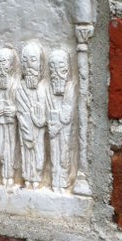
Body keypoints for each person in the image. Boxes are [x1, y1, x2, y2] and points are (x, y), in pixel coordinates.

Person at [16, 43, 47, 189]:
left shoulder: (43, 89)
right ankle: (28, 178)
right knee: (26, 154)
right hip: (25, 129)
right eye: (25, 60)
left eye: (33, 60)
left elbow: (44, 115)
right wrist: (27, 124)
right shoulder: (19, 87)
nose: (29, 65)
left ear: (41, 64)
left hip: (38, 131)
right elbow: (20, 111)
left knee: (38, 157)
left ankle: (37, 177)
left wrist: (39, 120)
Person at [47, 49, 76, 193]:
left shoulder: (71, 87)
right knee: (54, 155)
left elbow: (66, 115)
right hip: (53, 128)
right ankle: (55, 181)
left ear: (67, 69)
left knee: (63, 155)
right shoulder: (49, 89)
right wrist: (50, 123)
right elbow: (47, 108)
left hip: (64, 129)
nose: (56, 73)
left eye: (61, 68)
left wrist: (55, 127)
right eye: (52, 68)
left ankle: (63, 182)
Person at [0, 47, 20, 188]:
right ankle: (4, 174)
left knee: (12, 148)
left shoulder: (16, 84)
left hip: (12, 124)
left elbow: (21, 104)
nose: (1, 66)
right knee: (2, 148)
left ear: (11, 65)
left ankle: (11, 175)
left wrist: (13, 110)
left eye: (4, 62)